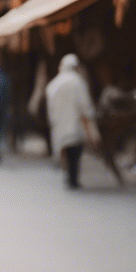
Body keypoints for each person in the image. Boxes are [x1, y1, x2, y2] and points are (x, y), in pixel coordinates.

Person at [45, 53, 98, 190]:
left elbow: (49, 105)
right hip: (74, 123)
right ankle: (73, 179)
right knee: (75, 152)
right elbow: (85, 104)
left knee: (65, 150)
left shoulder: (54, 83)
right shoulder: (77, 81)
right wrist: (90, 117)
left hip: (60, 123)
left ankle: (69, 177)